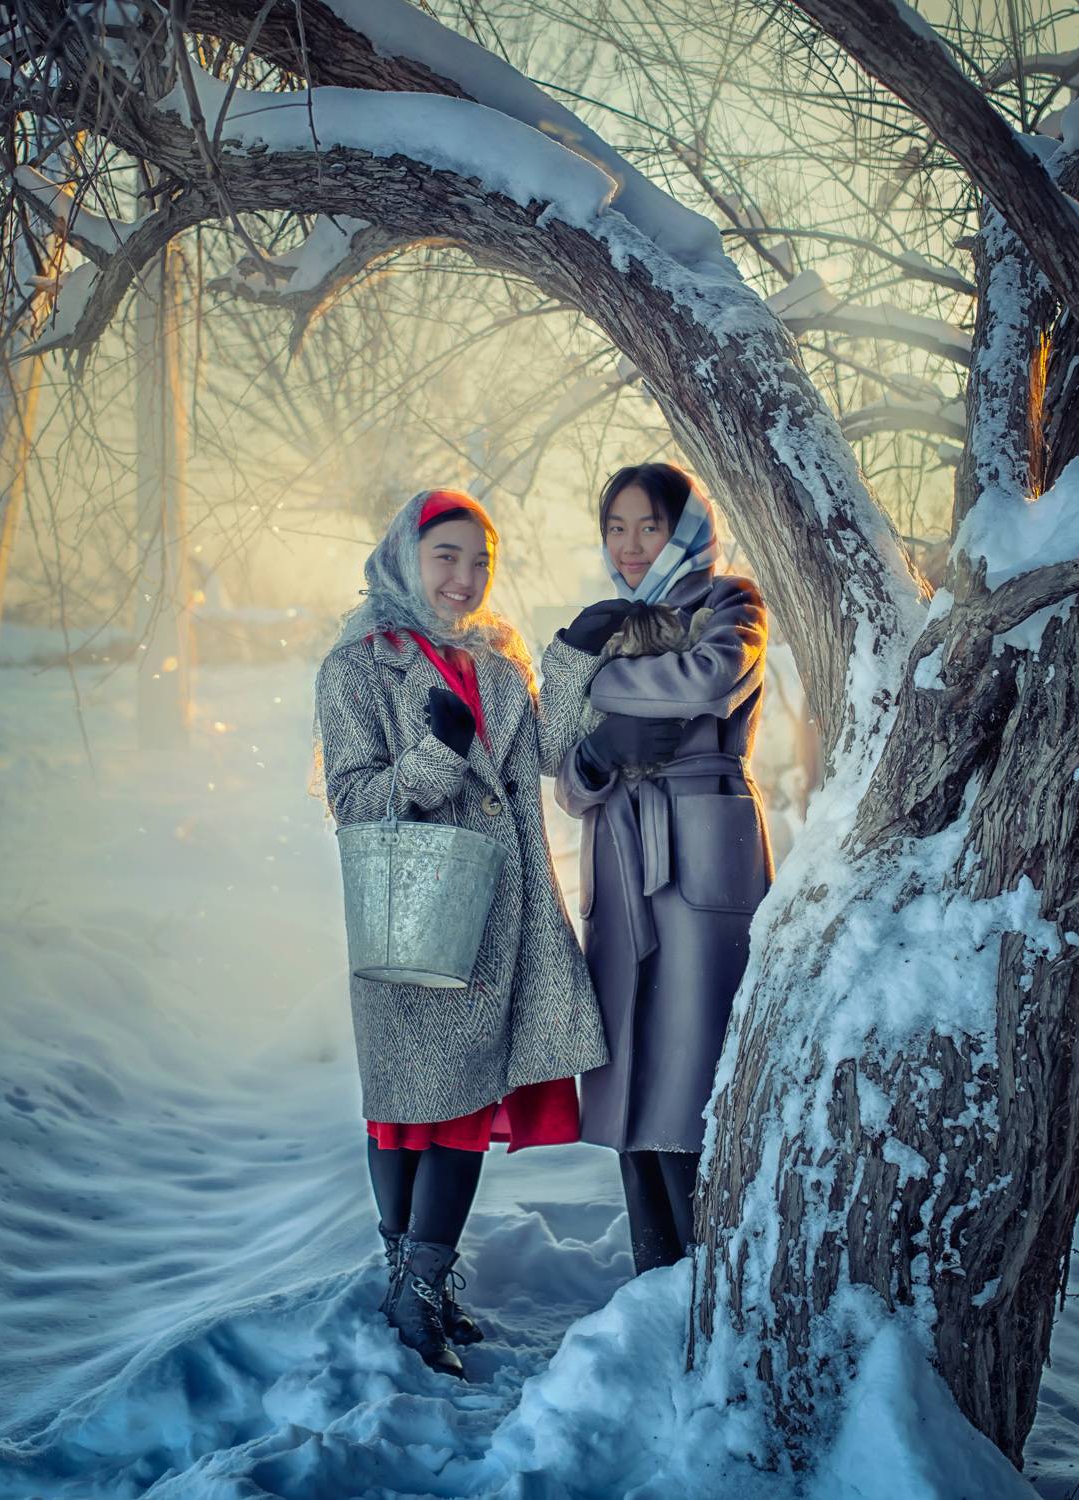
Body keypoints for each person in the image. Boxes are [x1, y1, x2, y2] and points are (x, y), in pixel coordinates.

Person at [314, 488, 607, 1379]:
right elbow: (352, 799)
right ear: (405, 556)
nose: (465, 578)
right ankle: (411, 1287)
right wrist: (435, 756)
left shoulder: (499, 657)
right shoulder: (358, 665)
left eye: (480, 561)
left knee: (465, 1105)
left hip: (504, 915)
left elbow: (551, 754)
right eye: (446, 556)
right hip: (417, 912)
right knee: (412, 1108)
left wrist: (573, 659)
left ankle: (420, 1287)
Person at [538, 463, 772, 1274]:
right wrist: (599, 754)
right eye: (616, 528)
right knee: (631, 1072)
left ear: (686, 531)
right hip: (618, 851)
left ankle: (711, 1276)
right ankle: (653, 1273)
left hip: (701, 854)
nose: (631, 546)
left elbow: (707, 679)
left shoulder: (729, 602)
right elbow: (565, 779)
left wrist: (592, 677)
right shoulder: (611, 623)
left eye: (649, 526)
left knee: (693, 1068)